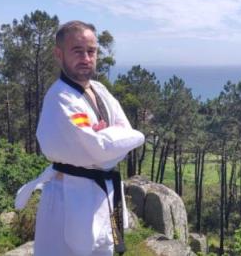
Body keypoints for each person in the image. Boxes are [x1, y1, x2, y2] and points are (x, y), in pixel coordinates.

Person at [14, 21, 145, 256]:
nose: (86, 57)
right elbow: (101, 149)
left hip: (101, 196)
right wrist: (113, 139)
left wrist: (108, 139)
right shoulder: (61, 97)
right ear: (59, 53)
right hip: (68, 198)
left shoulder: (99, 90)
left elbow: (120, 135)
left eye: (91, 51)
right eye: (77, 51)